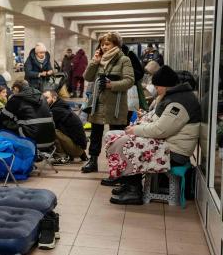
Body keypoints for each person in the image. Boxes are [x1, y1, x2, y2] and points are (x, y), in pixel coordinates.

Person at [109, 66, 200, 205]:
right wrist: (138, 128)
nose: (156, 90)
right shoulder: (175, 97)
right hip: (170, 145)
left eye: (157, 87)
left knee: (127, 144)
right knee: (123, 140)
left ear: (166, 85)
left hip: (175, 153)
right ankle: (128, 183)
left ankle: (134, 192)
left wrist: (136, 130)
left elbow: (160, 130)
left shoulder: (179, 103)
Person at [81, 32, 135, 173]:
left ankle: (116, 165)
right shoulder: (99, 60)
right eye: (102, 44)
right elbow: (87, 76)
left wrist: (112, 85)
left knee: (116, 136)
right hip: (98, 102)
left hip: (116, 104)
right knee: (95, 134)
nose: (104, 47)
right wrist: (94, 61)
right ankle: (92, 161)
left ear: (116, 44)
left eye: (107, 44)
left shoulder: (124, 60)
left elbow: (130, 80)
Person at [0, 80, 56, 151]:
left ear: (16, 88)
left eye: (13, 90)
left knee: (4, 123)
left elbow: (1, 117)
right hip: (50, 141)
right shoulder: (41, 97)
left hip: (32, 143)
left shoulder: (16, 99)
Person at [43, 89, 87, 164]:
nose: (44, 101)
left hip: (77, 149)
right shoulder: (62, 106)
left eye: (46, 98)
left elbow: (44, 127)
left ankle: (62, 157)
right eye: (43, 99)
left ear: (54, 98)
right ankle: (69, 155)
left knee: (50, 131)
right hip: (79, 148)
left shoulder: (56, 110)